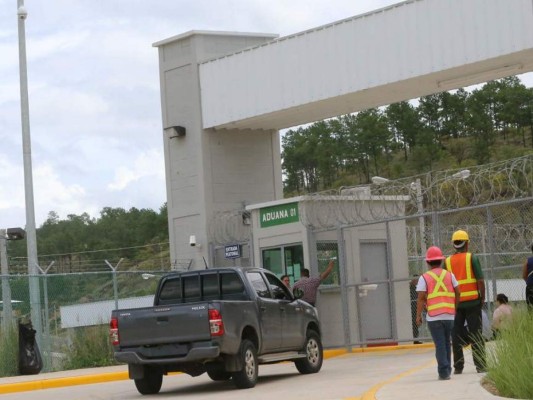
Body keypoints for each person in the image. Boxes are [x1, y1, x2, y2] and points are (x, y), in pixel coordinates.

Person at [445, 229, 487, 374]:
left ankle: (458, 367)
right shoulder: (472, 258)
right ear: (467, 244)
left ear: (454, 245)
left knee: (455, 335)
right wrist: (482, 298)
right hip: (473, 302)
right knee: (476, 334)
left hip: (455, 304)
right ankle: (481, 365)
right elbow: (480, 281)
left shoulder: (447, 261)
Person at [416, 246, 460, 380]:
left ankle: (443, 372)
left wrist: (418, 316)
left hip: (434, 317)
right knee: (447, 342)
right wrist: (454, 308)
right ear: (441, 261)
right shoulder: (450, 275)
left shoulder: (424, 277)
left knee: (440, 344)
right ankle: (447, 368)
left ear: (428, 262)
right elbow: (458, 292)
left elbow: (421, 298)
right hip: (449, 315)